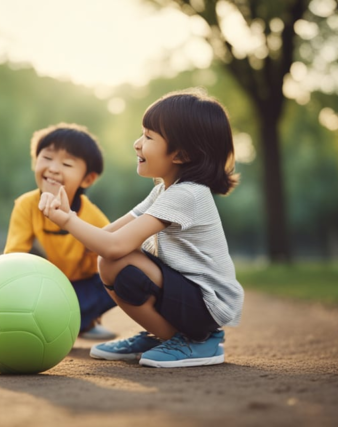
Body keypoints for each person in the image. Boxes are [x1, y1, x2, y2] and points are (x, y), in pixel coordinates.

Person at [38, 89, 244, 368]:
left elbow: (113, 247)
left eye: (148, 137)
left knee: (117, 264)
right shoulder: (164, 191)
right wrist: (70, 216)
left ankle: (195, 341)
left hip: (206, 306)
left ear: (182, 154)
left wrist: (68, 221)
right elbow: (105, 238)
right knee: (112, 262)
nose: (137, 144)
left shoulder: (187, 195)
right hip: (187, 297)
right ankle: (164, 335)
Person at [4, 123, 119, 341]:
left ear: (88, 179)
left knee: (121, 277)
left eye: (67, 163)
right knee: (18, 273)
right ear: (35, 162)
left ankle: (81, 320)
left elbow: (111, 251)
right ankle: (76, 322)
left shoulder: (92, 216)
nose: (54, 168)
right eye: (46, 158)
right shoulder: (26, 205)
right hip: (48, 287)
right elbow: (14, 256)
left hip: (84, 287)